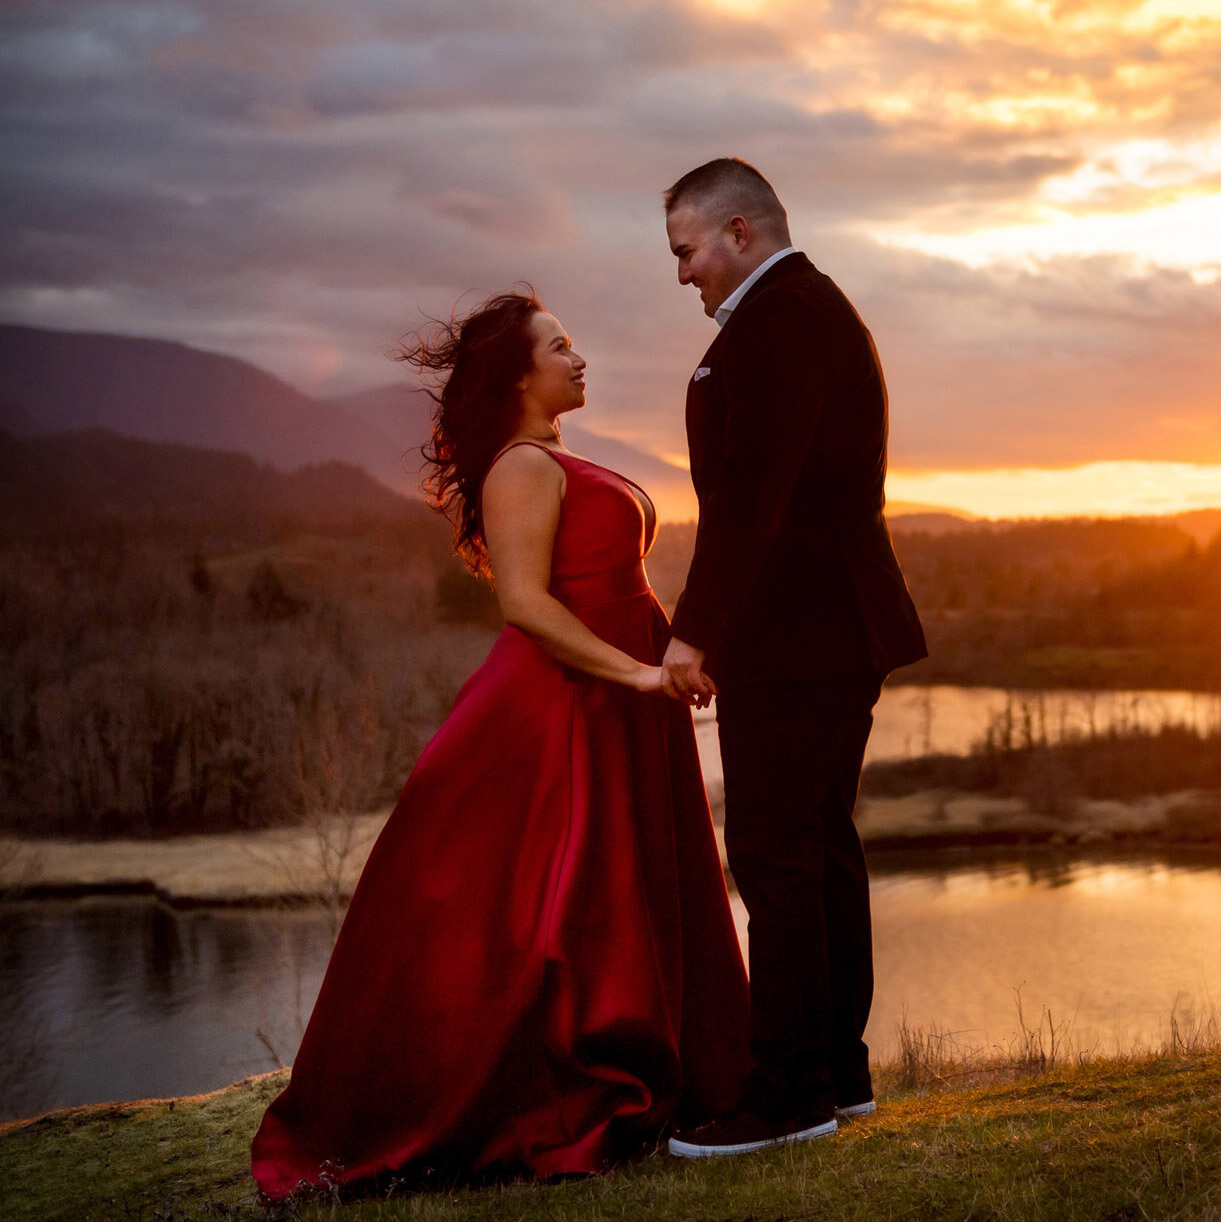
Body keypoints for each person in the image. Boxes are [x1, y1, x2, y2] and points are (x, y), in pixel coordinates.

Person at [250, 291, 749, 1199]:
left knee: (622, 884)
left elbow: (620, 590)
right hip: (559, 707)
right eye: (562, 345)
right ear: (519, 374)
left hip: (618, 696)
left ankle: (668, 1072)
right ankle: (556, 1094)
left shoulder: (560, 455)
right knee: (548, 904)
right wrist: (636, 675)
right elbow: (523, 603)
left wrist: (677, 653)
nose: (580, 357)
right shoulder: (521, 465)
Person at [658, 159, 927, 1158]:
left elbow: (751, 497)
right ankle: (836, 1076)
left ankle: (787, 1098)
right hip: (830, 628)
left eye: (685, 250)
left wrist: (698, 631)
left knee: (775, 855)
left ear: (736, 231)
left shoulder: (783, 323)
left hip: (802, 632)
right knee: (814, 848)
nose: (680, 272)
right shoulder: (807, 314)